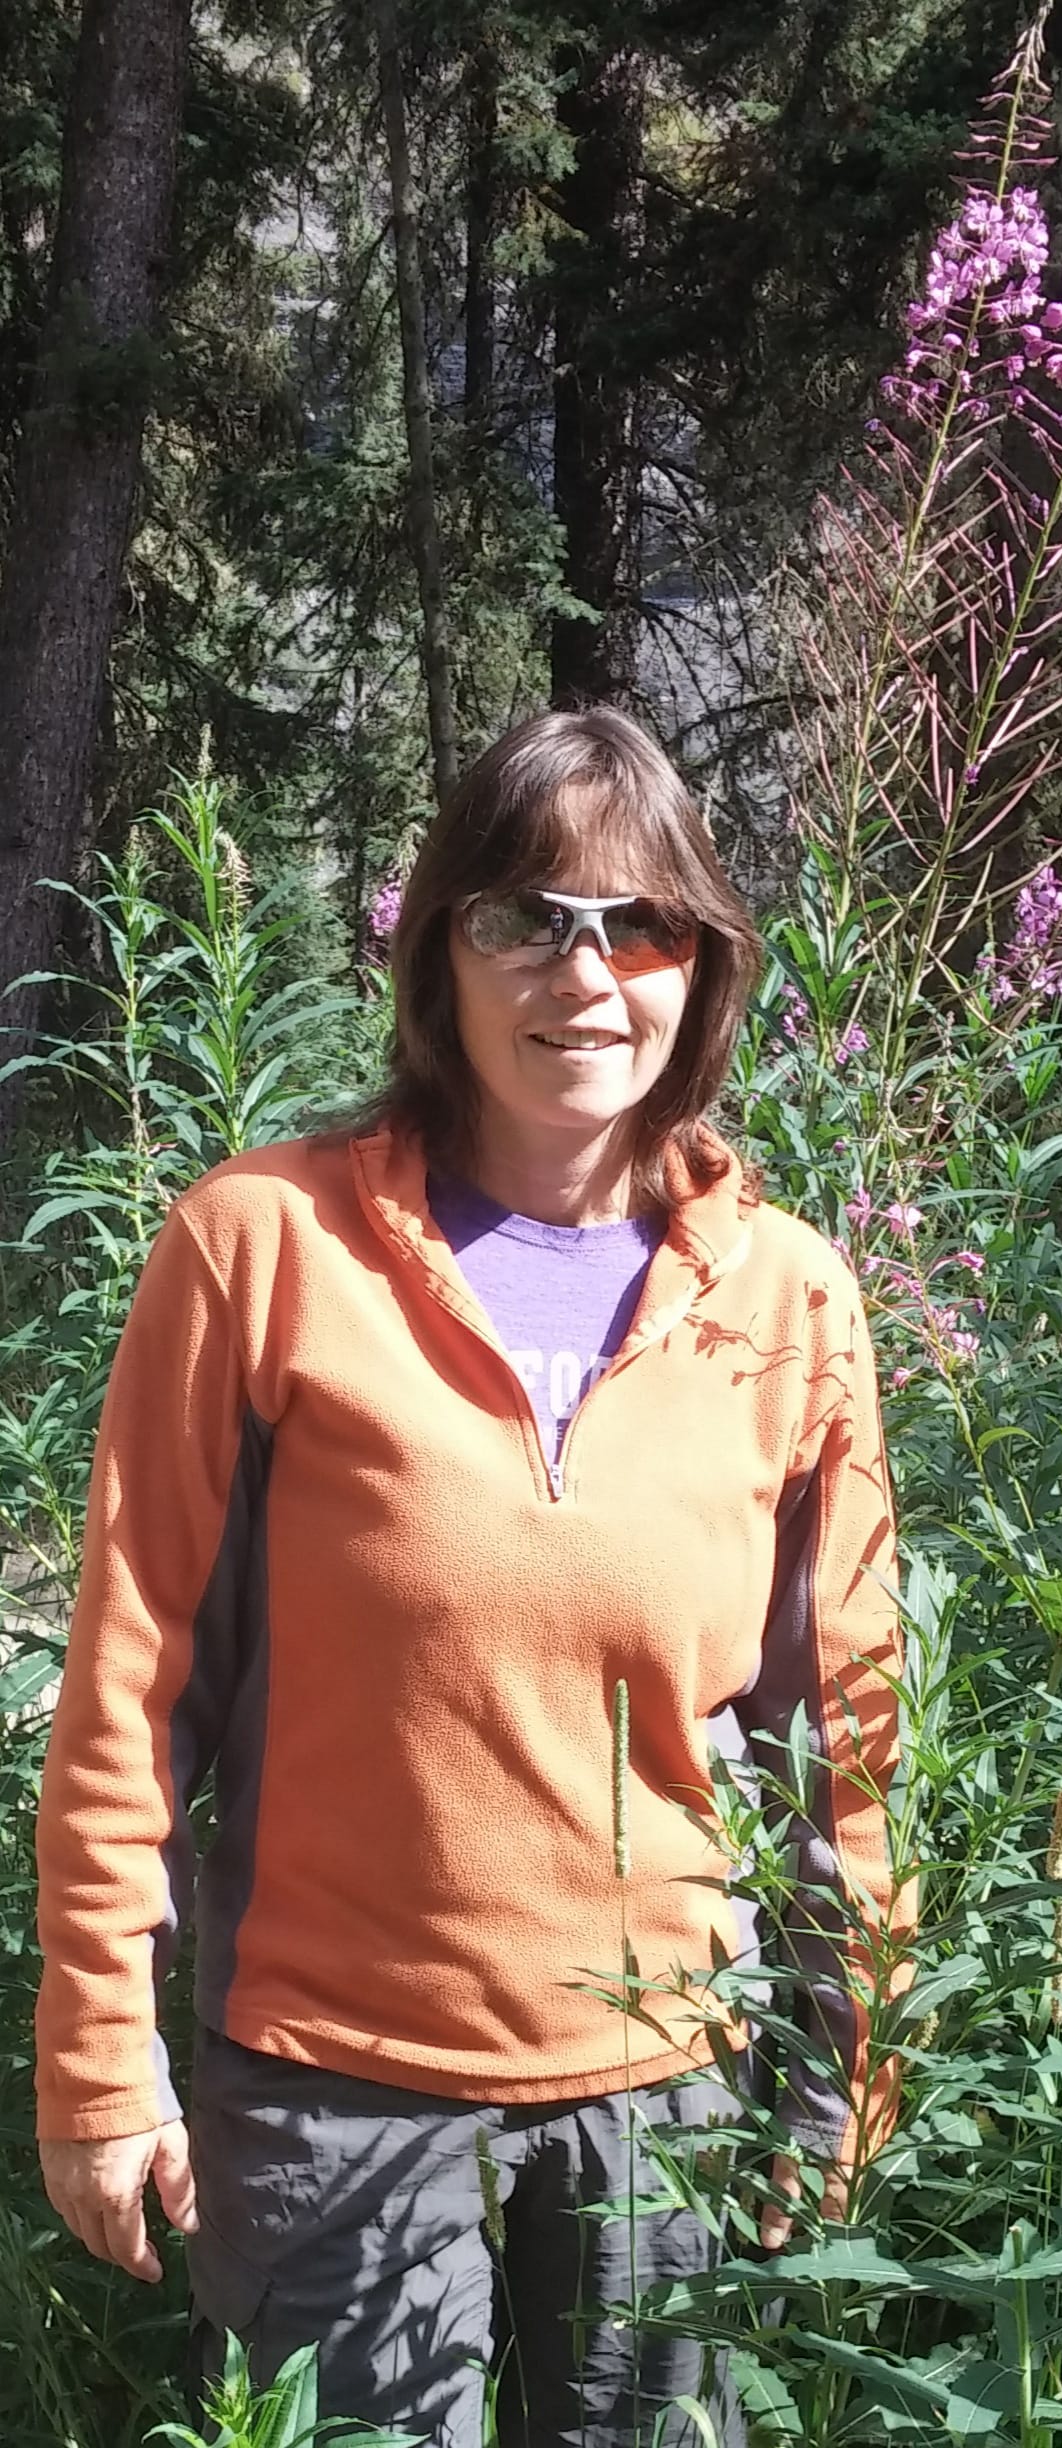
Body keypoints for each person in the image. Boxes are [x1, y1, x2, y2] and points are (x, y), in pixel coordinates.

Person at [33, 706, 905, 2448]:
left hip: (674, 2072)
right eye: (525, 916)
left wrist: (844, 2069)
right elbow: (133, 1684)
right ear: (441, 951)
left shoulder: (792, 1297)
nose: (585, 974)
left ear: (702, 970)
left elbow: (847, 1725)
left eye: (638, 923)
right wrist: (98, 2063)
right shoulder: (262, 1244)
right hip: (330, 2078)